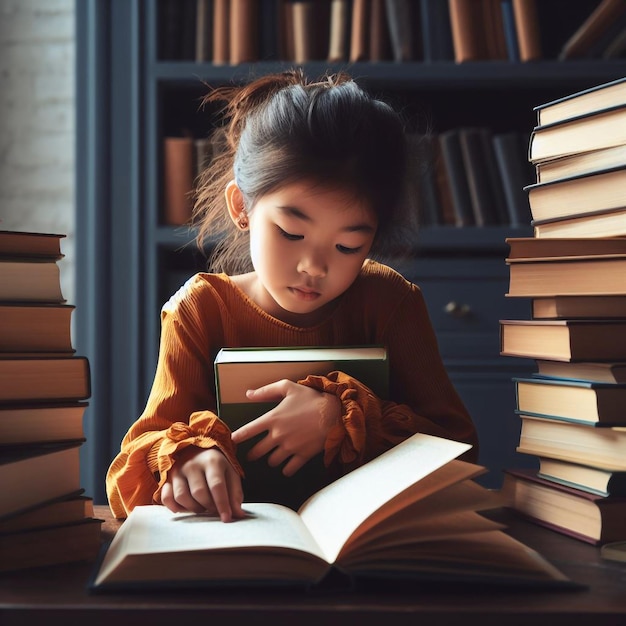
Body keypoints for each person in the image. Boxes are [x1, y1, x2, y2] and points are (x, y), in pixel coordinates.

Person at [106, 69, 478, 521]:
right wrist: (185, 460)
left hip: (370, 553)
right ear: (242, 207)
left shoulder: (389, 301)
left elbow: (461, 451)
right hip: (239, 549)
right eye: (290, 232)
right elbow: (130, 470)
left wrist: (342, 419)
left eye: (348, 246)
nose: (314, 267)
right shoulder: (200, 310)